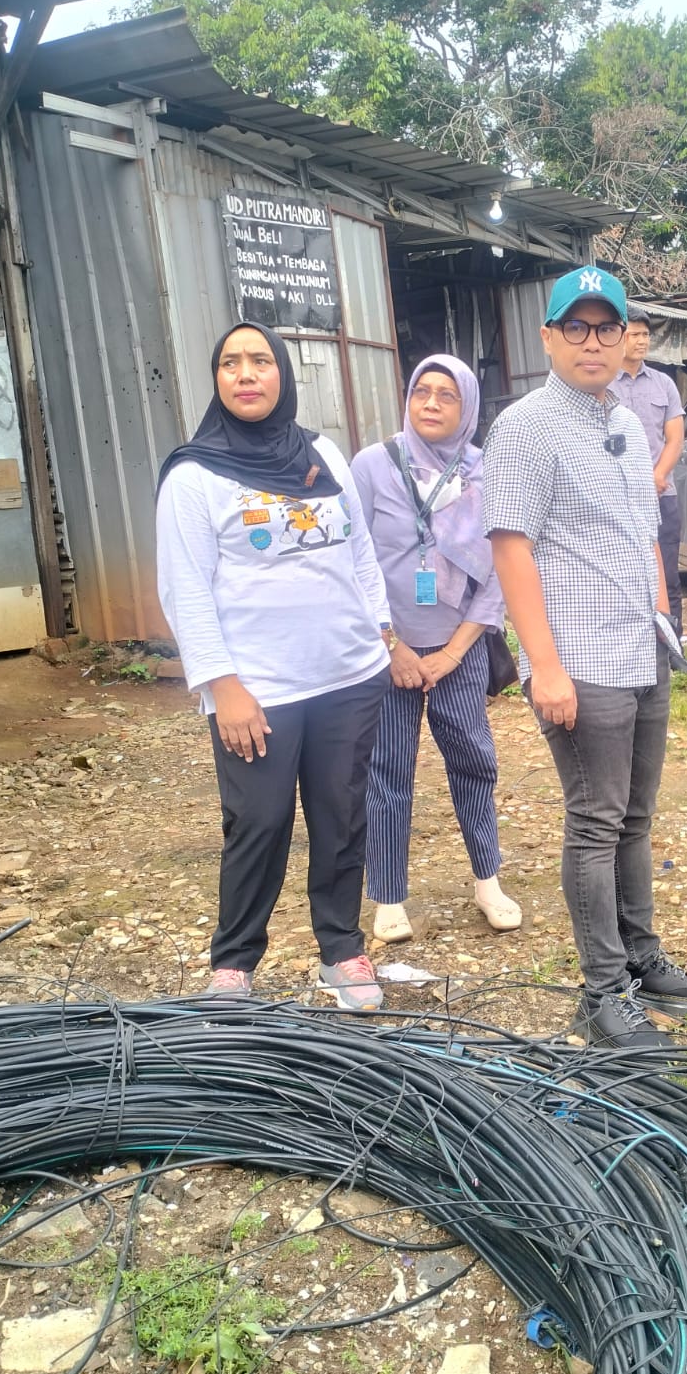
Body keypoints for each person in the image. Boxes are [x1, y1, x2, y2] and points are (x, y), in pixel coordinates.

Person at [483, 265, 687, 1048]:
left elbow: (638, 533)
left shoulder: (625, 418)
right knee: (595, 822)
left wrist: (666, 618)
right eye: (576, 328)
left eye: (607, 327)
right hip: (579, 657)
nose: (593, 341)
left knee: (635, 818)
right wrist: (541, 665)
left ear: (627, 338)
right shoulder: (524, 426)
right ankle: (600, 992)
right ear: (548, 337)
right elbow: (512, 550)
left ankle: (641, 956)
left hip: (640, 646)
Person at [156, 323, 391, 1010]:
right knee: (258, 821)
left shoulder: (322, 453)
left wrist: (381, 637)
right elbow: (184, 587)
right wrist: (222, 686)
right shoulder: (194, 475)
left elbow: (362, 553)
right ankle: (234, 963)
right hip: (258, 687)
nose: (246, 373)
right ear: (217, 379)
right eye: (230, 363)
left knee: (342, 814)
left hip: (347, 675)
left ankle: (341, 948)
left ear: (283, 373)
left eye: (260, 360)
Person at [350, 355, 521, 944]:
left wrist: (453, 652)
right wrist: (391, 645)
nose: (430, 403)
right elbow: (353, 560)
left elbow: (501, 568)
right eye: (421, 391)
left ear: (467, 406)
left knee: (472, 760)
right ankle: (388, 896)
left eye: (446, 395)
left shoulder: (487, 471)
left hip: (461, 645)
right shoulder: (373, 465)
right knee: (387, 769)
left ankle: (488, 880)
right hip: (388, 650)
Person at [615, 307, 686, 637]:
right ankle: (633, 640)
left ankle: (672, 645)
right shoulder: (603, 384)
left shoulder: (664, 384)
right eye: (634, 334)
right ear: (618, 337)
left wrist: (659, 476)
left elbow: (675, 438)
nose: (641, 341)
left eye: (645, 335)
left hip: (662, 495)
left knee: (667, 574)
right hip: (616, 497)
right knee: (624, 572)